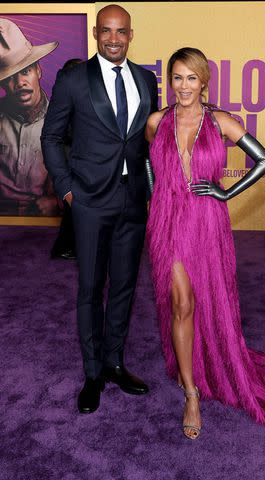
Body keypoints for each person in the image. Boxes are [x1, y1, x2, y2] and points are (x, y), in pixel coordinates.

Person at [146, 47, 265, 440]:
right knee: (181, 301)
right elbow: (147, 160)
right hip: (167, 220)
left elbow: (263, 159)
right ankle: (191, 392)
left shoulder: (221, 121)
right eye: (177, 77)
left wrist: (226, 193)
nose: (184, 85)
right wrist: (155, 197)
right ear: (169, 81)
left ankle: (201, 365)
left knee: (208, 297)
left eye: (191, 77)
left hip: (207, 221)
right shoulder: (158, 120)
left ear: (204, 81)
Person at [41, 5, 158, 414]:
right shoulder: (73, 79)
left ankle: (114, 362)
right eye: (106, 31)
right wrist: (67, 189)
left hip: (133, 201)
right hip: (89, 201)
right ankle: (92, 372)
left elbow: (145, 144)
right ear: (95, 32)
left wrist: (154, 189)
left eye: (121, 32)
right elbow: (52, 136)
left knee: (125, 286)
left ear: (131, 34)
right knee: (91, 289)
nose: (113, 38)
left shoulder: (147, 79)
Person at [0, 18, 59, 216]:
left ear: (38, 71)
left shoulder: (62, 120)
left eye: (25, 71)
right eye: (9, 78)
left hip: (46, 225)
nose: (20, 83)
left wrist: (56, 203)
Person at [50, 58, 84, 260]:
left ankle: (67, 247)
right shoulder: (67, 98)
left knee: (74, 210)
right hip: (69, 159)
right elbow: (61, 135)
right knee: (75, 208)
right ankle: (65, 247)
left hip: (72, 158)